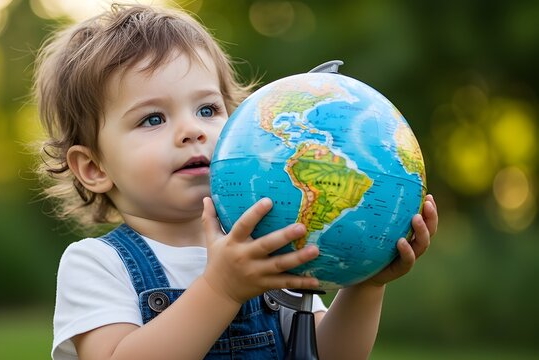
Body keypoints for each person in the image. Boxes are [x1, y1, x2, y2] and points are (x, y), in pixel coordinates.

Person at [34, 3, 439, 360]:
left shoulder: (273, 237)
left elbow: (328, 355)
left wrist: (366, 285)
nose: (192, 131)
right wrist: (221, 290)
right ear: (94, 168)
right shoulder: (96, 265)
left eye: (208, 109)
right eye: (153, 119)